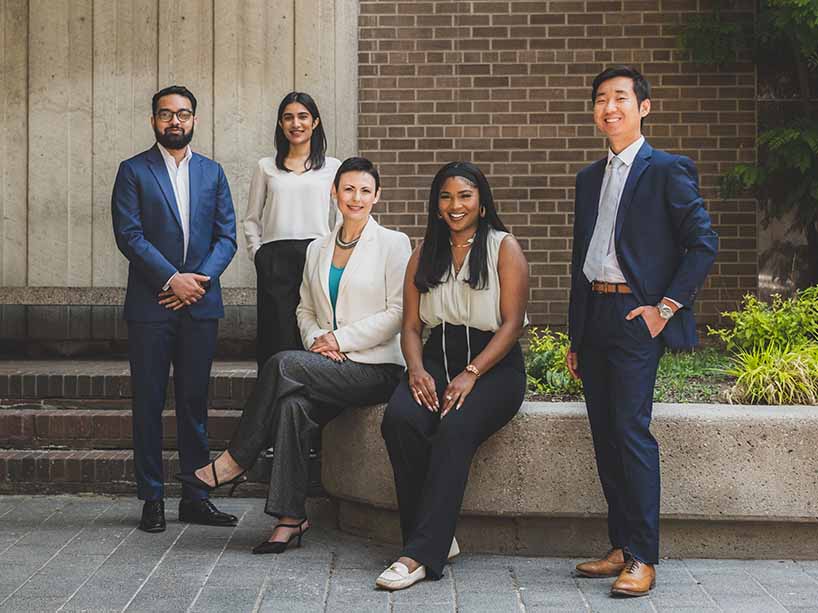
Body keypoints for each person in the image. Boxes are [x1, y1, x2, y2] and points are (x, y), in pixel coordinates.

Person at [177, 157, 411, 553]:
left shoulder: (393, 244)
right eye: (348, 189)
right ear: (334, 193)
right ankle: (290, 518)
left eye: (365, 190)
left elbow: (398, 313)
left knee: (283, 362)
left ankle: (237, 458)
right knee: (292, 407)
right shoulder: (318, 248)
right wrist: (319, 337)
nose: (356, 198)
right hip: (329, 364)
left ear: (377, 196)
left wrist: (338, 340)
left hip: (378, 368)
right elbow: (303, 309)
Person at [566, 66, 718, 597]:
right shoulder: (589, 178)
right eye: (601, 99)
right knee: (605, 437)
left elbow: (703, 244)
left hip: (637, 318)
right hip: (596, 317)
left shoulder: (667, 169)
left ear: (643, 107)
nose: (610, 107)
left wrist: (665, 307)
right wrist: (575, 334)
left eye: (621, 98)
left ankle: (644, 558)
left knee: (631, 434)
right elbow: (582, 259)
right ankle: (620, 547)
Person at [376, 162, 529, 591]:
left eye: (465, 196)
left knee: (454, 426)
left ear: (481, 203)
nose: (455, 205)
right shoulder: (424, 252)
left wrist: (472, 373)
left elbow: (513, 324)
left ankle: (419, 554)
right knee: (400, 421)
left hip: (494, 366)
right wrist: (417, 370)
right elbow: (410, 326)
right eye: (446, 197)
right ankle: (436, 539)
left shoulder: (503, 247)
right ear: (436, 205)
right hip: (436, 358)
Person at [111, 85, 238, 533]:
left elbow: (227, 238)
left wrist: (196, 283)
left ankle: (195, 496)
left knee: (193, 403)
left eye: (183, 114)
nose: (175, 122)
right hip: (152, 305)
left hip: (200, 306)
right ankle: (151, 498)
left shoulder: (213, 173)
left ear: (194, 120)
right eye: (166, 114)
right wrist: (172, 280)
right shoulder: (133, 171)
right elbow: (130, 235)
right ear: (153, 121)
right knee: (148, 403)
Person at [244, 92, 342, 371]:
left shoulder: (332, 167)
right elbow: (251, 218)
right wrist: (258, 253)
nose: (295, 123)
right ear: (280, 124)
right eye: (288, 117)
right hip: (275, 259)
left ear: (315, 122)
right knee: (276, 333)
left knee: (314, 328)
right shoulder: (265, 167)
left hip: (317, 256)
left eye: (302, 117)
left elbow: (340, 216)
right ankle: (273, 402)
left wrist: (334, 252)